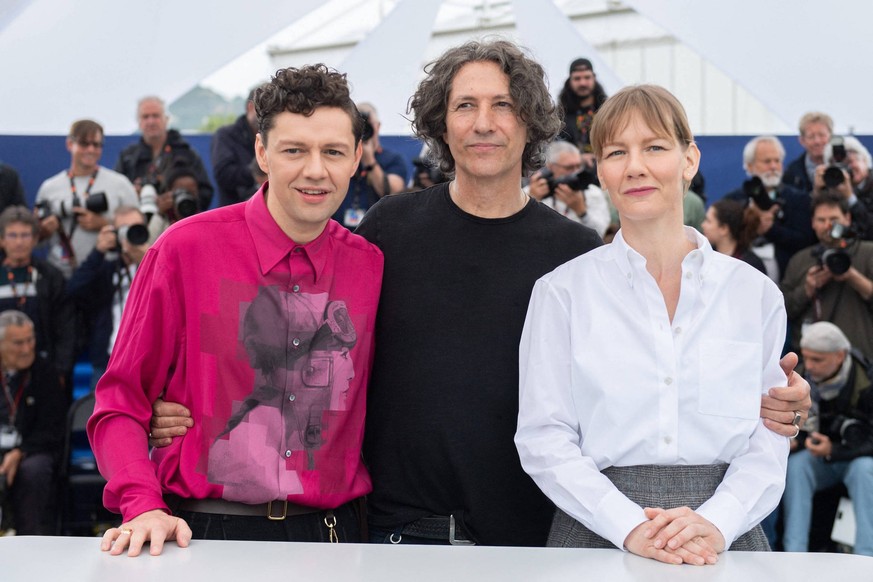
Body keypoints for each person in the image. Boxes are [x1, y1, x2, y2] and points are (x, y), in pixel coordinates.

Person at [150, 40, 812, 548]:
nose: (483, 122)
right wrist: (192, 411)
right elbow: (307, 351)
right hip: (394, 528)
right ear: (442, 124)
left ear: (529, 122)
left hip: (530, 530)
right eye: (464, 105)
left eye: (501, 105)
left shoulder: (575, 259)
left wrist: (772, 406)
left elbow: (646, 390)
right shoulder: (387, 230)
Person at [87, 64, 383, 557]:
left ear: (356, 158)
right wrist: (142, 504)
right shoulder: (184, 251)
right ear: (262, 153)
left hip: (336, 539)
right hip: (201, 534)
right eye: (294, 150)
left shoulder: (370, 267)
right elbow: (120, 402)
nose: (315, 170)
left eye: (332, 151)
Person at [516, 84, 790, 565]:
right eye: (617, 152)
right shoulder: (561, 293)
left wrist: (718, 520)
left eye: (655, 147)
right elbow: (543, 434)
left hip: (724, 536)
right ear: (600, 170)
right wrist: (628, 525)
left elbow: (770, 433)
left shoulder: (754, 294)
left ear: (690, 160)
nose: (635, 166)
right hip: (595, 530)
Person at [782, 322, 873, 556]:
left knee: (865, 470)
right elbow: (799, 423)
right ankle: (794, 554)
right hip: (819, 457)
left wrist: (834, 449)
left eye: (818, 360)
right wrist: (793, 439)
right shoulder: (801, 376)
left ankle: (866, 557)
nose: (809, 366)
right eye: (807, 358)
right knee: (797, 467)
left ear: (840, 355)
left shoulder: (866, 381)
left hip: (856, 459)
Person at [35, 119, 139, 279]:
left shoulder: (120, 184)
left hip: (105, 276)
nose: (91, 149)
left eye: (97, 145)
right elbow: (35, 239)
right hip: (60, 275)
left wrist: (104, 224)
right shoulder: (49, 188)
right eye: (84, 144)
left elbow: (138, 234)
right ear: (69, 144)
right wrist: (43, 231)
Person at [66, 206, 152, 387]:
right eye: (124, 229)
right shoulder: (106, 269)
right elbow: (74, 291)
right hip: (108, 362)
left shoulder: (157, 265)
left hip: (150, 360)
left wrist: (149, 261)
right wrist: (98, 252)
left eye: (135, 228)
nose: (130, 235)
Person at [780, 192, 873, 358]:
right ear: (813, 223)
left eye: (834, 219)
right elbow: (783, 309)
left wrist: (851, 276)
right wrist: (807, 290)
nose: (828, 226)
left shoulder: (867, 253)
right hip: (810, 360)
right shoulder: (800, 260)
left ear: (848, 218)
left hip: (861, 359)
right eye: (821, 220)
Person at [0, 310, 65, 535]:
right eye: (18, 343)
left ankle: (30, 537)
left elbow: (53, 427)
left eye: (30, 340)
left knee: (33, 471)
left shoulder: (44, 371)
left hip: (33, 448)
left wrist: (20, 452)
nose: (27, 349)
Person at [0, 206, 75, 385]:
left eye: (25, 235)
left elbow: (66, 327)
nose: (19, 242)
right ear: (2, 240)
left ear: (35, 239)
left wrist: (61, 370)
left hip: (44, 371)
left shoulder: (51, 276)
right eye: (13, 235)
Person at [724, 135, 816, 281]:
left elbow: (806, 241)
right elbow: (723, 240)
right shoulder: (733, 201)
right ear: (749, 166)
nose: (773, 166)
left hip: (787, 280)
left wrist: (771, 229)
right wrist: (750, 223)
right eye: (767, 161)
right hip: (741, 277)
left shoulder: (799, 199)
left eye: (777, 161)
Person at [115, 96, 213, 211]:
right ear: (139, 122)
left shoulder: (186, 154)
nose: (151, 121)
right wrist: (133, 195)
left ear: (166, 119)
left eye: (156, 116)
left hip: (175, 221)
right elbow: (116, 194)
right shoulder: (128, 157)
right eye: (145, 117)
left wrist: (177, 201)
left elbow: (205, 194)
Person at [331, 103, 407, 229]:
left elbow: (395, 193)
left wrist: (369, 159)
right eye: (359, 125)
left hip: (377, 232)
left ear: (377, 126)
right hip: (338, 231)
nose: (363, 129)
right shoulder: (342, 157)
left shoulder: (393, 159)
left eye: (368, 124)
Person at [526, 140, 610, 237]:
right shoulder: (533, 192)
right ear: (551, 167)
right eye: (569, 168)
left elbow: (600, 234)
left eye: (578, 166)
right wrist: (532, 202)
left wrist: (582, 212)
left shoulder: (592, 192)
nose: (575, 172)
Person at [211, 86, 261, 207]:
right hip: (235, 211)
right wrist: (257, 171)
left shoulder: (275, 136)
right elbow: (223, 175)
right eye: (266, 108)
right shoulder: (225, 136)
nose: (271, 113)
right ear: (250, 107)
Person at [556, 57, 608, 168]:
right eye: (577, 78)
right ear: (570, 81)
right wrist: (578, 158)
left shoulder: (608, 111)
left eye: (587, 77)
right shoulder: (559, 115)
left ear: (594, 78)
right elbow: (555, 147)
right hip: (571, 172)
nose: (583, 83)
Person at [701, 198, 767, 274]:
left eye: (708, 221)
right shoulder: (704, 257)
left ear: (724, 229)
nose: (703, 225)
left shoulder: (751, 265)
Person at [783, 112, 834, 193]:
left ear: (831, 137)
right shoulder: (792, 173)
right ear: (802, 140)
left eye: (821, 135)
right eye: (811, 136)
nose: (817, 141)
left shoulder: (844, 164)